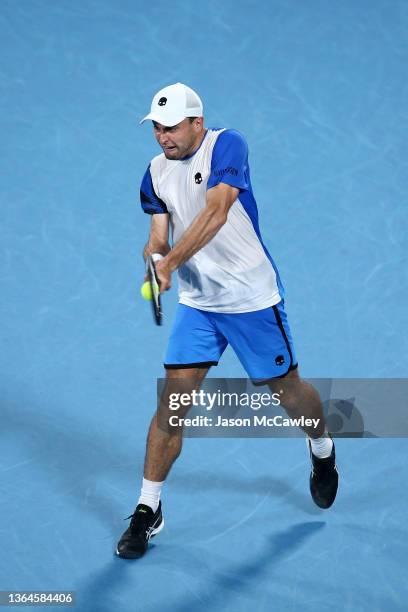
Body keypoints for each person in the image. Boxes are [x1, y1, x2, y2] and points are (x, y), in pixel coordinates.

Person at [116, 83, 339, 559]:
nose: (163, 137)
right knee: (173, 402)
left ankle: (321, 447)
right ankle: (146, 508)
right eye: (156, 127)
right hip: (199, 305)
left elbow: (216, 211)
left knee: (287, 391)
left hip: (251, 298)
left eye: (172, 126)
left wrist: (171, 261)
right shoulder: (153, 173)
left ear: (197, 122)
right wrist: (155, 260)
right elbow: (157, 235)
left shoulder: (227, 145)